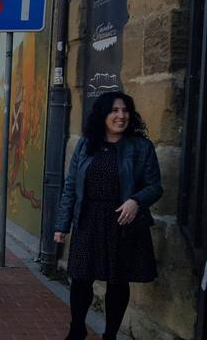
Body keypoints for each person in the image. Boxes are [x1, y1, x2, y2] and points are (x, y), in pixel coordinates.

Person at [54, 91, 162, 340]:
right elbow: (71, 186)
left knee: (117, 281)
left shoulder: (141, 146)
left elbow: (155, 187)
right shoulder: (86, 144)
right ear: (102, 114)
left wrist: (136, 200)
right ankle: (77, 328)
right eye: (114, 110)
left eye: (125, 110)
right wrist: (61, 225)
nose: (120, 115)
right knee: (81, 278)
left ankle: (110, 334)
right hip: (88, 219)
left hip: (122, 222)